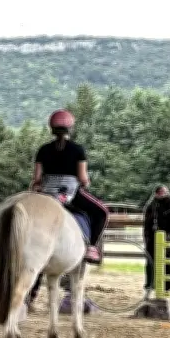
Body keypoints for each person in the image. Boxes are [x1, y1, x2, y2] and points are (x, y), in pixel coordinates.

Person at [30, 109, 109, 264]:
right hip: (70, 194)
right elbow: (83, 178)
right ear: (70, 128)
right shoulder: (77, 150)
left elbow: (37, 178)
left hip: (47, 193)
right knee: (102, 212)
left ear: (51, 129)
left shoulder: (43, 150)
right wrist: (87, 182)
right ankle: (92, 247)